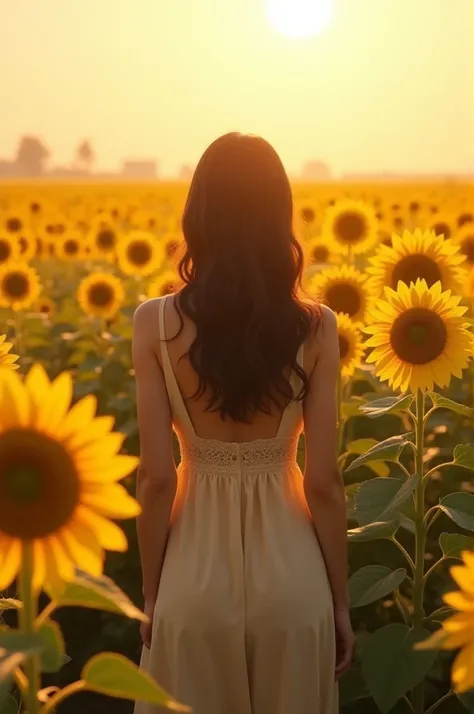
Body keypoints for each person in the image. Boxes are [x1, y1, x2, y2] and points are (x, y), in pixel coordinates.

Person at [132, 132, 353, 714]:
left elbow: (156, 479)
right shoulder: (317, 327)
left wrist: (154, 597)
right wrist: (341, 605)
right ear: (280, 215)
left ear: (197, 214)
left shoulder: (152, 324)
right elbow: (325, 482)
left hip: (191, 583)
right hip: (294, 582)